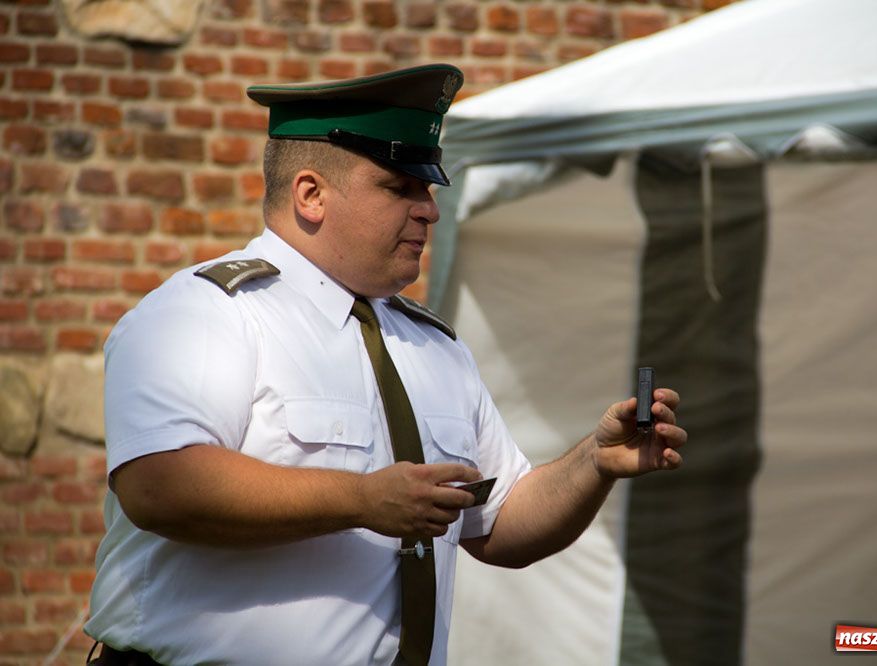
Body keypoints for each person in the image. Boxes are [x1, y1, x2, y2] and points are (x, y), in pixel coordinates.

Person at [84, 64, 687, 666]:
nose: (430, 211)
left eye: (428, 190)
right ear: (311, 194)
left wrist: (594, 462)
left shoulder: (434, 347)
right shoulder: (205, 313)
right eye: (400, 188)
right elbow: (158, 486)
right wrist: (363, 500)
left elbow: (501, 526)